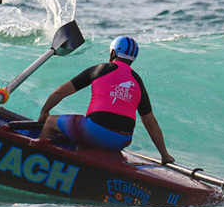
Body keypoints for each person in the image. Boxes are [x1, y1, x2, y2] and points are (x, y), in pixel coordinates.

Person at [36, 36, 175, 164]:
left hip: (95, 130)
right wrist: (164, 155)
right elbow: (151, 124)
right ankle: (81, 169)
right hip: (121, 140)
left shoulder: (101, 69)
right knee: (84, 140)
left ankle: (37, 160)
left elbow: (60, 92)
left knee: (50, 122)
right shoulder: (138, 82)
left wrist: (44, 112)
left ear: (113, 53)